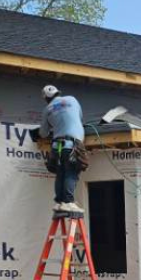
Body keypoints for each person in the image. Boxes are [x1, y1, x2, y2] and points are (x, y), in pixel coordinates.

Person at [40, 85, 86, 214]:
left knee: (61, 173)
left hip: (56, 146)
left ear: (46, 99)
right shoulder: (72, 100)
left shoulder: (47, 109)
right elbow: (80, 117)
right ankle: (69, 202)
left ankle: (59, 202)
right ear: (58, 93)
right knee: (71, 172)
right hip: (71, 144)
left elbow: (43, 133)